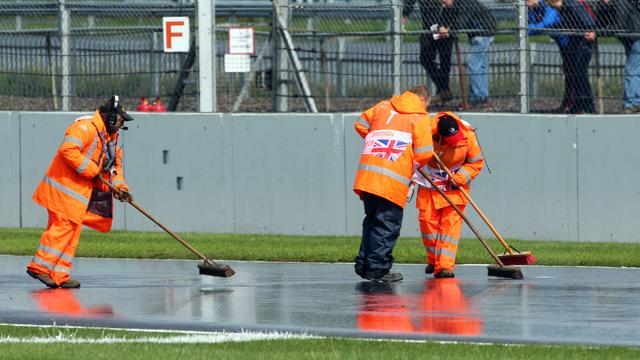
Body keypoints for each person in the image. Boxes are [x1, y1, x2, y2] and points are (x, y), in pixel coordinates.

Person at [26, 95, 134, 289]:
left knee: (72, 231)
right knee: (63, 228)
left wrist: (120, 188)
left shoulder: (111, 140)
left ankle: (59, 274)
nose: (122, 123)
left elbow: (115, 169)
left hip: (77, 194)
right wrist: (92, 170)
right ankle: (40, 266)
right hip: (63, 189)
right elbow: (68, 150)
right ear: (110, 118)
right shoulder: (85, 127)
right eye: (120, 119)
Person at [353, 85, 435, 283]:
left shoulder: (382, 106)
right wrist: (407, 158)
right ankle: (378, 270)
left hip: (368, 175)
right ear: (423, 100)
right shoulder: (419, 116)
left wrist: (381, 137)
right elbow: (425, 153)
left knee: (371, 220)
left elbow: (361, 124)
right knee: (387, 224)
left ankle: (364, 265)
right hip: (392, 179)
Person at [412, 111, 484, 278]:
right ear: (439, 136)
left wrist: (459, 178)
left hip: (455, 187)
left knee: (450, 227)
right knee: (427, 223)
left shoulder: (467, 134)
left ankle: (444, 266)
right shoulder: (425, 132)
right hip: (429, 184)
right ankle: (433, 259)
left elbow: (475, 163)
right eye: (449, 141)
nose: (454, 143)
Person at [440, 0, 496, 108]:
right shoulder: (453, 5)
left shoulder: (465, 2)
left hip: (482, 32)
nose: (443, 4)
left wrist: (449, 30)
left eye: (443, 1)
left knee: (473, 64)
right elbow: (446, 17)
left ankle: (476, 97)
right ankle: (482, 96)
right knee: (481, 66)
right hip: (481, 32)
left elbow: (461, 21)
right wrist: (443, 26)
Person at [547, 0, 597, 114]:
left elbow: (584, 15)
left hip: (584, 41)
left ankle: (589, 106)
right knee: (576, 74)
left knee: (580, 73)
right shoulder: (564, 9)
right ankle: (579, 105)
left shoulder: (570, 4)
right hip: (576, 41)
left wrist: (591, 29)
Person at [403, 0, 456, 105]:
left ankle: (443, 93)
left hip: (446, 27)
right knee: (425, 58)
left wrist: (450, 27)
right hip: (429, 26)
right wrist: (404, 16)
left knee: (445, 61)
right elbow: (409, 2)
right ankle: (443, 89)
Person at [595, 0, 640, 113]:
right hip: (629, 39)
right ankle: (634, 102)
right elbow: (601, 22)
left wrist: (598, 33)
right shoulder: (609, 4)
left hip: (635, 38)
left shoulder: (621, 2)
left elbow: (619, 26)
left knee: (632, 70)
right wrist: (603, 6)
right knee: (635, 70)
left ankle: (631, 104)